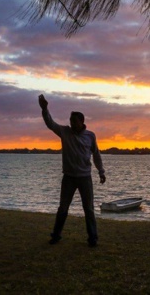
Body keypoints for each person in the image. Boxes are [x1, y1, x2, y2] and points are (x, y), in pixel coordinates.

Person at [38, 94, 106, 247]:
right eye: (70, 121)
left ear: (82, 122)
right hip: (68, 178)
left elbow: (96, 154)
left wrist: (101, 171)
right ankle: (56, 236)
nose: (71, 124)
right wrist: (44, 109)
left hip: (85, 178)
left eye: (74, 121)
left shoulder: (90, 136)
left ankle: (93, 238)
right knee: (63, 208)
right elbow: (50, 123)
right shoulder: (65, 132)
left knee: (88, 209)